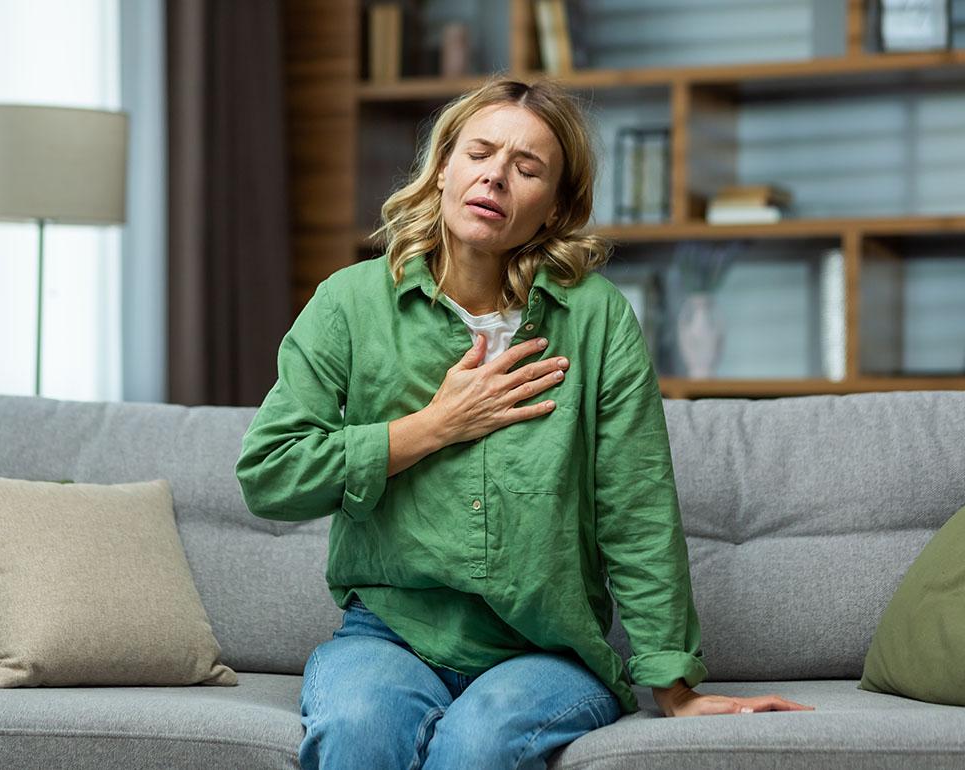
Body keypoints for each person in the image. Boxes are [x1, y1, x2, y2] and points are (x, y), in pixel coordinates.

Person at [236, 77, 814, 770]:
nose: (495, 177)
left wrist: (674, 683)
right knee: (359, 729)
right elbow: (270, 476)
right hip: (388, 637)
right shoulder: (350, 303)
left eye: (527, 167)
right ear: (443, 166)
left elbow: (635, 507)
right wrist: (434, 425)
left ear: (554, 209)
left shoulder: (596, 318)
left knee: (479, 745)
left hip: (545, 649)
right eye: (480, 152)